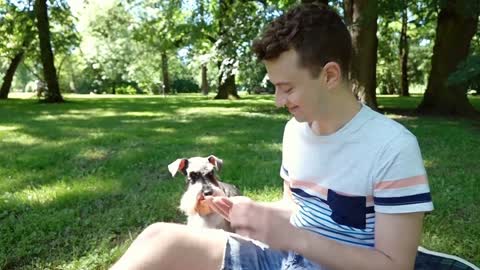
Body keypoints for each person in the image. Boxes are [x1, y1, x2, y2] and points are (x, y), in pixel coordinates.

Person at [111, 3, 434, 270]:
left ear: (330, 75)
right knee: (158, 238)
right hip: (282, 259)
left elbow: (395, 265)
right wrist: (253, 212)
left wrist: (295, 239)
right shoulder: (295, 131)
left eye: (288, 87)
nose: (279, 101)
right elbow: (295, 209)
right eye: (275, 87)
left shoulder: (393, 148)